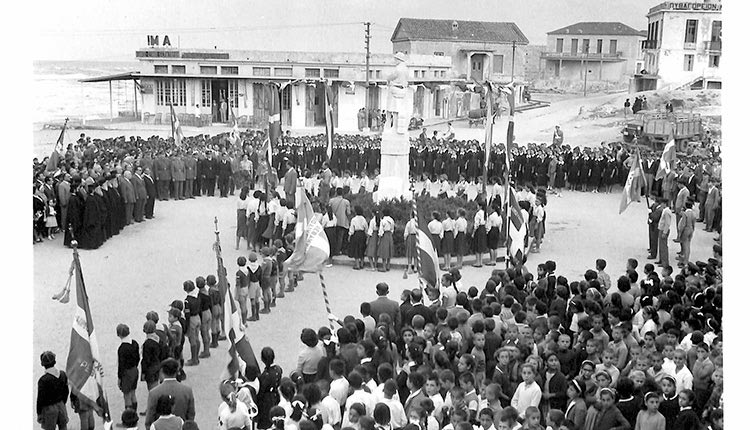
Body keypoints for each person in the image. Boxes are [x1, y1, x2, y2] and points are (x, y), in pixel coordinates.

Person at [145, 358, 196, 428]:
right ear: (176, 372)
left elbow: (149, 418)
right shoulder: (187, 391)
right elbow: (191, 416)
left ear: (162, 371)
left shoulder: (154, 393)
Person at [36, 351, 69, 430]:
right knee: (63, 427)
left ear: (42, 364)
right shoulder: (63, 374)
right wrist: (62, 403)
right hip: (61, 405)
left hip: (49, 408)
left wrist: (39, 413)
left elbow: (40, 399)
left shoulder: (43, 380)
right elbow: (66, 391)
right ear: (55, 361)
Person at [117, 323, 140, 414]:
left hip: (126, 373)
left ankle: (129, 417)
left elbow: (121, 365)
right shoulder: (134, 343)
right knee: (133, 393)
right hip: (134, 370)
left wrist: (119, 378)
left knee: (127, 395)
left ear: (119, 334)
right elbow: (138, 358)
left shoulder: (122, 348)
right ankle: (134, 413)